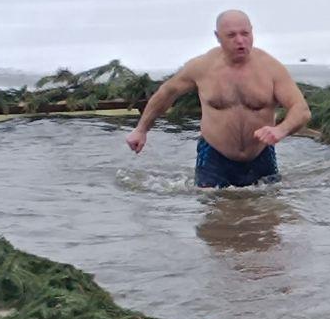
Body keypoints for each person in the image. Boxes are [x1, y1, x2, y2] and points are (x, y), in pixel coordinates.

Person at [125, 10, 309, 187]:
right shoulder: (202, 67)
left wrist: (281, 130)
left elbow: (301, 109)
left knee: (267, 213)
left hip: (260, 154)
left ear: (252, 32)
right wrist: (141, 129)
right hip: (214, 155)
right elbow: (166, 93)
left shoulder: (271, 68)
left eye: (245, 33)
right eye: (231, 35)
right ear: (217, 36)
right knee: (215, 214)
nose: (240, 41)